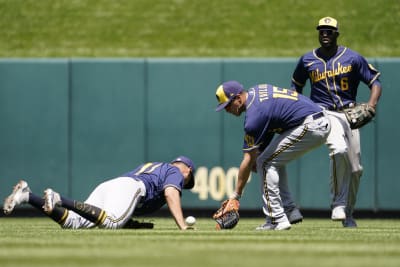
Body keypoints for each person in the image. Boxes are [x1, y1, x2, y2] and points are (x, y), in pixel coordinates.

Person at [290, 17, 382, 227]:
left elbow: (375, 82)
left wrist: (371, 105)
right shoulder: (307, 60)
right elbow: (296, 86)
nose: (325, 33)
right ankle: (338, 203)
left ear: (337, 34)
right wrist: (299, 111)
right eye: (322, 30)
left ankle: (348, 213)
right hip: (323, 114)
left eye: (329, 31)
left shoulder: (352, 57)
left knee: (356, 169)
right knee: (338, 149)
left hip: (349, 114)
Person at [215, 80, 331, 230]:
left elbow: (248, 159)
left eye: (228, 105)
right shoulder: (256, 89)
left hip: (311, 125)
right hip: (315, 119)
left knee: (265, 162)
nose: (227, 110)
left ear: (238, 98)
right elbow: (271, 122)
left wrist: (236, 195)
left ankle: (277, 219)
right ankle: (289, 210)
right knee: (271, 159)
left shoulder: (254, 116)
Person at [3, 156, 196, 230]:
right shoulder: (176, 172)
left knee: (73, 222)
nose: (184, 183)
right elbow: (171, 193)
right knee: (111, 223)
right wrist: (182, 225)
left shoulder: (156, 166)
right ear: (187, 169)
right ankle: (59, 198)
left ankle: (27, 196)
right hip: (133, 187)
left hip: (113, 185)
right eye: (188, 180)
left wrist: (132, 224)